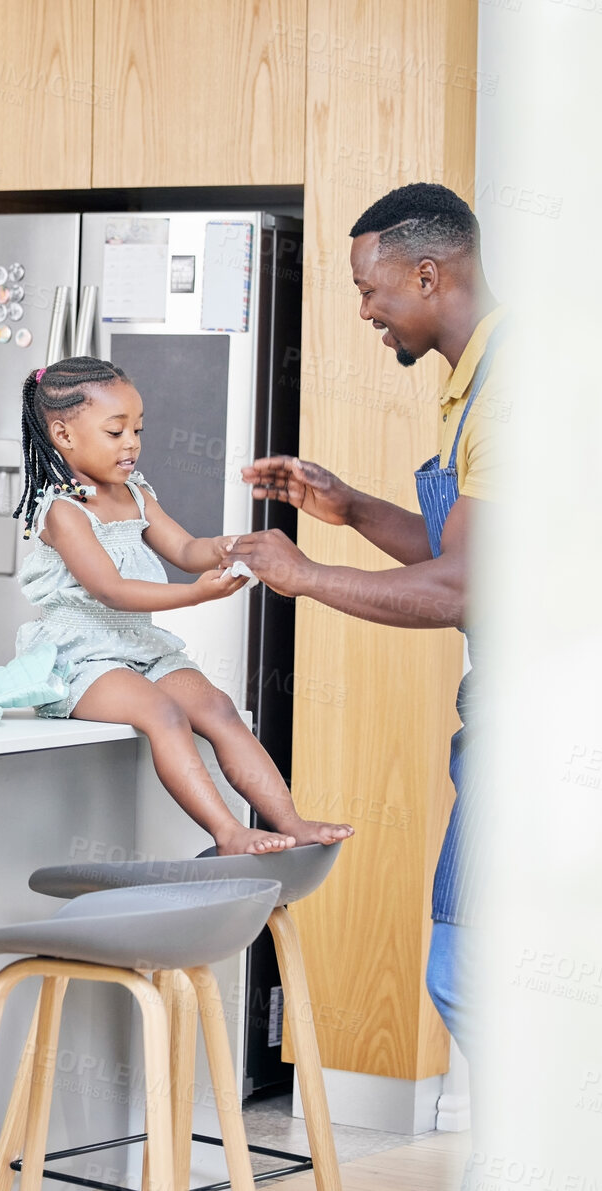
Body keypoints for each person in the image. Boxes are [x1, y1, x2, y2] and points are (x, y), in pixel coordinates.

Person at [229, 182, 501, 1052]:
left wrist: (305, 575)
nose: (363, 311)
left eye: (367, 288)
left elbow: (464, 587)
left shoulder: (515, 388)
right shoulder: (474, 382)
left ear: (426, 274)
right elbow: (456, 548)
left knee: (469, 974)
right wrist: (345, 507)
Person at [12, 357, 355, 855]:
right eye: (116, 432)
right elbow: (112, 590)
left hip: (140, 648)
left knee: (217, 706)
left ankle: (290, 821)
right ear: (63, 435)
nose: (132, 442)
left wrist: (229, 547)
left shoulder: (136, 492)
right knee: (164, 714)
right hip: (80, 657)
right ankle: (228, 832)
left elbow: (186, 549)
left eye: (138, 428)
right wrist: (197, 593)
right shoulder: (63, 512)